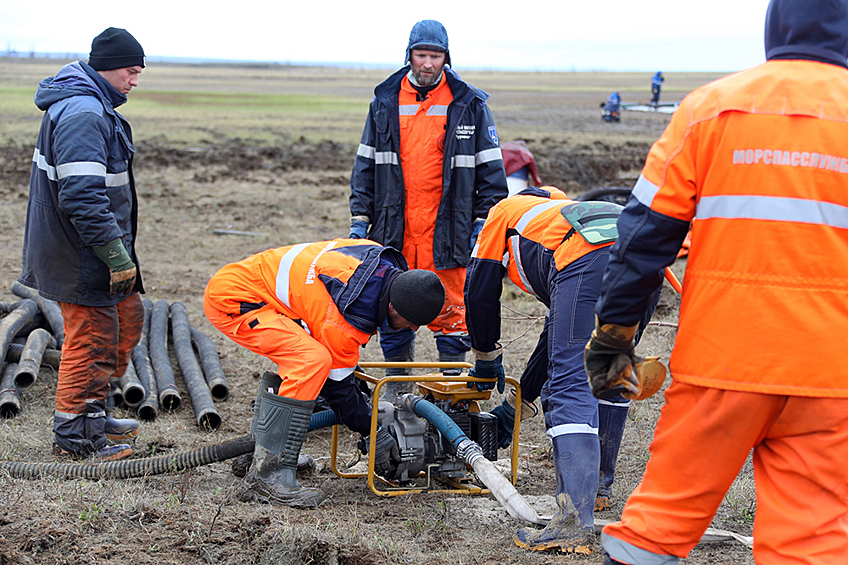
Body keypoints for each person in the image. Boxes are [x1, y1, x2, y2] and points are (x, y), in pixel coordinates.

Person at [584, 1, 848, 563]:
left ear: (775, 27)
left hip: (721, 363)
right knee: (814, 543)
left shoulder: (708, 110)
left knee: (655, 531)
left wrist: (614, 337)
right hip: (831, 375)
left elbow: (644, 240)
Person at [464, 186, 659, 554]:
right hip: (644, 256)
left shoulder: (504, 213)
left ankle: (572, 522)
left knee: (570, 388)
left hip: (589, 258)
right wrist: (519, 399)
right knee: (609, 368)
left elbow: (478, 291)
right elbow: (557, 335)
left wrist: (486, 358)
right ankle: (597, 487)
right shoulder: (562, 212)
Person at [203, 238, 446, 508]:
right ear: (392, 306)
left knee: (309, 355)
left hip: (250, 284)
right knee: (311, 360)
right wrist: (372, 431)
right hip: (234, 301)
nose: (412, 331)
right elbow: (337, 386)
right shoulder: (342, 317)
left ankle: (260, 454)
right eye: (411, 323)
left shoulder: (375, 261)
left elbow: (343, 365)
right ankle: (268, 475)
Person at [349, 19, 508, 394]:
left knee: (453, 312)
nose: (427, 63)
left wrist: (483, 225)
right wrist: (360, 221)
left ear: (446, 58)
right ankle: (397, 390)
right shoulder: (384, 102)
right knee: (392, 306)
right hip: (395, 231)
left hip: (448, 233)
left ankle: (448, 391)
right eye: (421, 55)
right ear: (409, 56)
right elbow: (365, 167)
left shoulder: (469, 105)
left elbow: (491, 174)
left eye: (435, 56)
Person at [18, 27, 147, 461]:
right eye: (131, 71)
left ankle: (95, 411)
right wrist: (115, 256)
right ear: (108, 68)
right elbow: (81, 195)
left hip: (89, 247)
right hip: (80, 252)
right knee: (90, 337)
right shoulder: (83, 114)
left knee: (127, 317)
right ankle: (75, 438)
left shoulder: (94, 107)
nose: (134, 81)